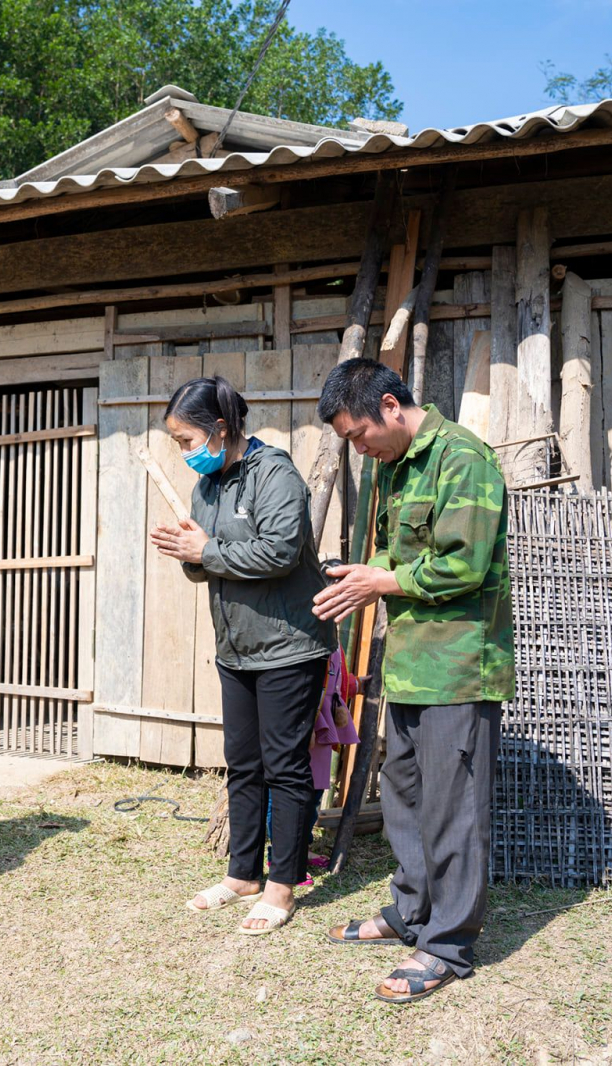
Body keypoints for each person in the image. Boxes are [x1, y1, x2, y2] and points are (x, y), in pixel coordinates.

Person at [311, 358, 513, 1004]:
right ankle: (411, 911)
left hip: (458, 666)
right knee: (403, 795)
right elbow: (399, 556)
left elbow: (465, 565)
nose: (358, 446)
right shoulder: (396, 469)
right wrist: (362, 573)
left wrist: (384, 582)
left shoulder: (463, 459)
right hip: (410, 665)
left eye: (358, 433)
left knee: (453, 810)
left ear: (392, 406)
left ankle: (448, 943)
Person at [150, 375, 331, 935]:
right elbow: (210, 559)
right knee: (244, 764)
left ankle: (283, 884)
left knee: (285, 766)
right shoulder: (210, 485)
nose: (185, 454)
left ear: (220, 429)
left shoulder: (275, 474)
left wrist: (208, 550)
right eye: (177, 444)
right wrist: (190, 552)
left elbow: (279, 551)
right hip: (237, 648)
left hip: (288, 646)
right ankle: (243, 874)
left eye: (187, 441)